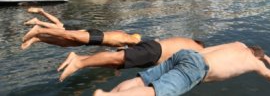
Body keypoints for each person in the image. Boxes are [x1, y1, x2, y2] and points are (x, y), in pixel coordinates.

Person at [94, 42, 270, 96]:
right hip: (197, 68)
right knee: (156, 91)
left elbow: (259, 54)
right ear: (258, 58)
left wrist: (269, 59)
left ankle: (112, 93)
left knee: (141, 80)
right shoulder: (255, 62)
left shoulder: (239, 44)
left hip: (186, 54)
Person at [57, 37, 205, 82]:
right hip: (155, 52)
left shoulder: (186, 41)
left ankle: (80, 58)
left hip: (153, 53)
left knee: (114, 62)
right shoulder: (199, 50)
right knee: (116, 59)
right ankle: (79, 62)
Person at [21, 8, 141, 49]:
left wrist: (117, 67)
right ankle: (39, 30)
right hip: (96, 37)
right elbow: (138, 42)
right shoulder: (130, 39)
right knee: (65, 35)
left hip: (95, 38)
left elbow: (121, 51)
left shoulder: (122, 39)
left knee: (64, 43)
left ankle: (38, 38)